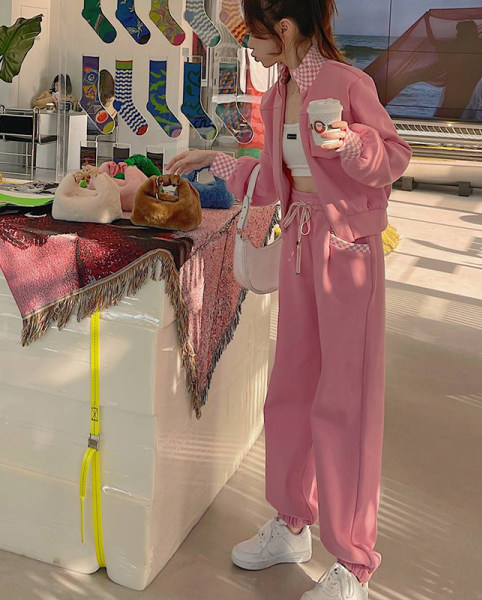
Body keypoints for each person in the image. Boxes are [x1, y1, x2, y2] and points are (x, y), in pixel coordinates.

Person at [167, 1, 412, 598]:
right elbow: (276, 182)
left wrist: (353, 142)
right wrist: (213, 161)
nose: (249, 48)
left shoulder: (348, 85)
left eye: (253, 36)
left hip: (348, 252)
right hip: (300, 243)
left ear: (282, 29)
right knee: (291, 387)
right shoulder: (279, 94)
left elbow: (395, 158)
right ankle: (292, 522)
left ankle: (353, 563)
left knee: (345, 400)